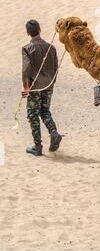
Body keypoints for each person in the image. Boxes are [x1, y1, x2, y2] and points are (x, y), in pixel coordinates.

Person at [22, 20, 62, 156]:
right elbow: (56, 67)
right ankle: (54, 133)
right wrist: (52, 82)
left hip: (34, 87)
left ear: (28, 32)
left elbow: (26, 69)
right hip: (49, 84)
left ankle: (37, 147)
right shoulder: (51, 47)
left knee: (33, 115)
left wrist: (26, 87)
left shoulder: (27, 48)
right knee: (44, 111)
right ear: (40, 29)